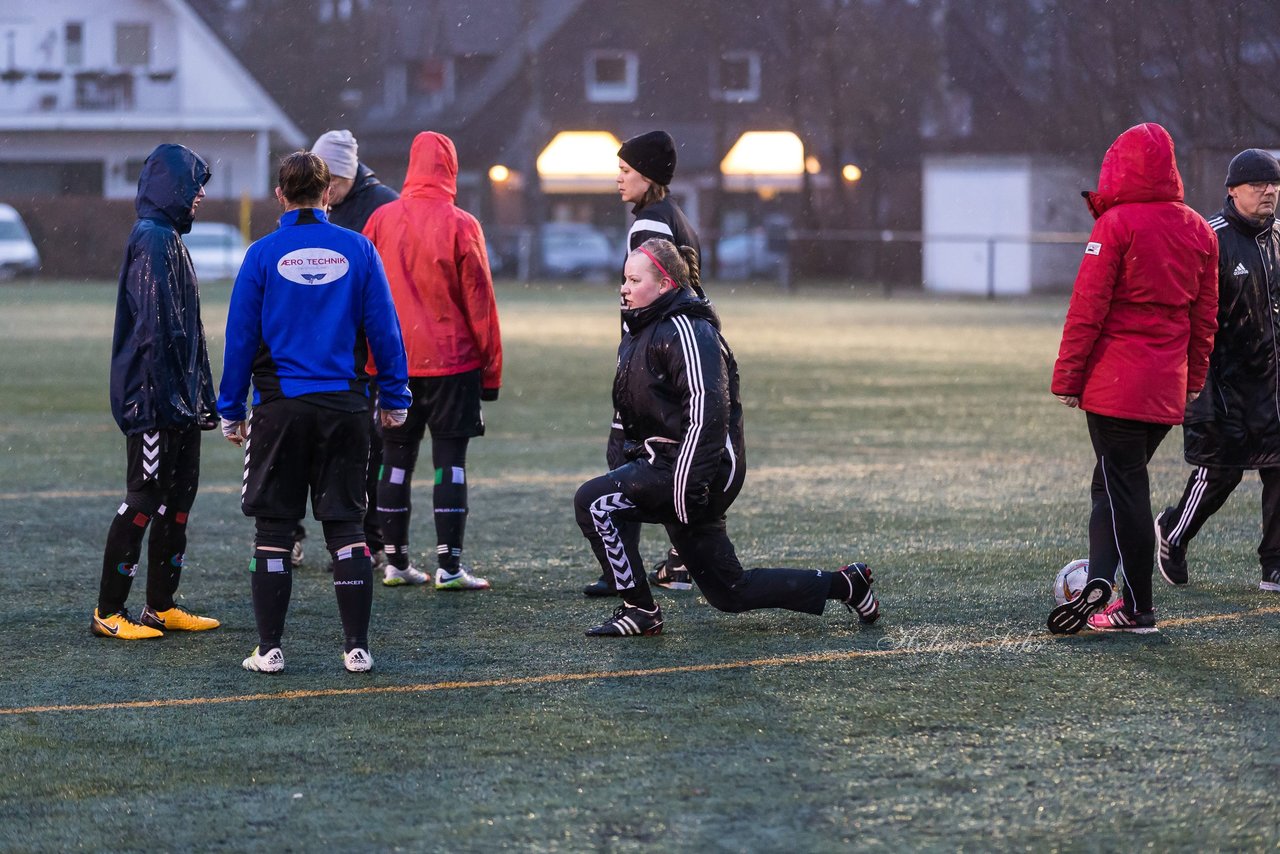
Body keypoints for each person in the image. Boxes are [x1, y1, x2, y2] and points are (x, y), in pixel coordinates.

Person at [576, 238, 881, 636]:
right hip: (668, 468)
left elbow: (707, 417)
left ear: (666, 285)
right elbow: (630, 413)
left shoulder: (688, 331)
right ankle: (846, 584)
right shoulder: (639, 330)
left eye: (635, 279)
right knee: (729, 592)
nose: (624, 287)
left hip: (695, 474)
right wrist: (627, 464)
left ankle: (641, 611)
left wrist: (687, 487)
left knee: (593, 502)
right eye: (624, 279)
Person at [217, 151, 411, 674]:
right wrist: (395, 397)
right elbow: (385, 331)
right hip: (346, 408)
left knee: (274, 530)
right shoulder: (359, 249)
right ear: (328, 195)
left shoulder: (261, 254)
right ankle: (356, 649)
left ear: (280, 196)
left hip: (280, 410)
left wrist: (230, 409)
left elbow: (240, 339)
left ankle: (270, 650)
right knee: (347, 527)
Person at [1047, 122, 1219, 635]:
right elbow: (1204, 319)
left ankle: (1136, 606)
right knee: (1113, 481)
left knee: (1124, 489)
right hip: (1165, 386)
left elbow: (1088, 308)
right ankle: (1101, 578)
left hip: (1115, 384)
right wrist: (1193, 379)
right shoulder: (1199, 229)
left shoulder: (1116, 225)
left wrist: (1068, 377)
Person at [91, 143, 221, 641]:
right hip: (153, 401)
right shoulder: (151, 238)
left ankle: (160, 606)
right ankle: (108, 611)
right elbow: (155, 330)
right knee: (144, 497)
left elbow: (188, 331)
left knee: (178, 500)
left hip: (178, 401)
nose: (202, 194)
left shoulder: (170, 238)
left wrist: (199, 396)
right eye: (195, 183)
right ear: (173, 186)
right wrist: (168, 398)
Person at [362, 131, 502, 591]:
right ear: (450, 170)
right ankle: (449, 567)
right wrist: (490, 371)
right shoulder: (462, 223)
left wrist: (364, 361)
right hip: (452, 361)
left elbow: (361, 296)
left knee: (395, 460)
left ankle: (396, 562)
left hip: (393, 364)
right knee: (450, 463)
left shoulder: (381, 220)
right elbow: (480, 302)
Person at [583, 130, 703, 599]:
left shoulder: (647, 225)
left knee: (624, 457)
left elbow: (647, 296)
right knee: (672, 457)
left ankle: (621, 572)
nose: (618, 179)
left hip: (652, 359)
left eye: (626, 171)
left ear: (648, 176)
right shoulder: (679, 218)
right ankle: (680, 560)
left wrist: (632, 358)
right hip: (675, 354)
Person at [1156, 149, 1280, 593]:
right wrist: (1193, 381)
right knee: (1220, 473)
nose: (1268, 191)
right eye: (1257, 185)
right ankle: (1173, 532)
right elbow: (1182, 311)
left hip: (1273, 382)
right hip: (1222, 384)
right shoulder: (1209, 237)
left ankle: (1274, 566)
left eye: (1273, 184)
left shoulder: (1279, 236)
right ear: (1232, 191)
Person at [288, 130, 402, 569]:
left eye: (333, 179)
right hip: (307, 343)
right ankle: (290, 535)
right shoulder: (311, 206)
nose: (326, 188)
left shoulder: (383, 207)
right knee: (296, 450)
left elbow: (383, 291)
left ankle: (364, 540)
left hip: (353, 350)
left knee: (360, 451)